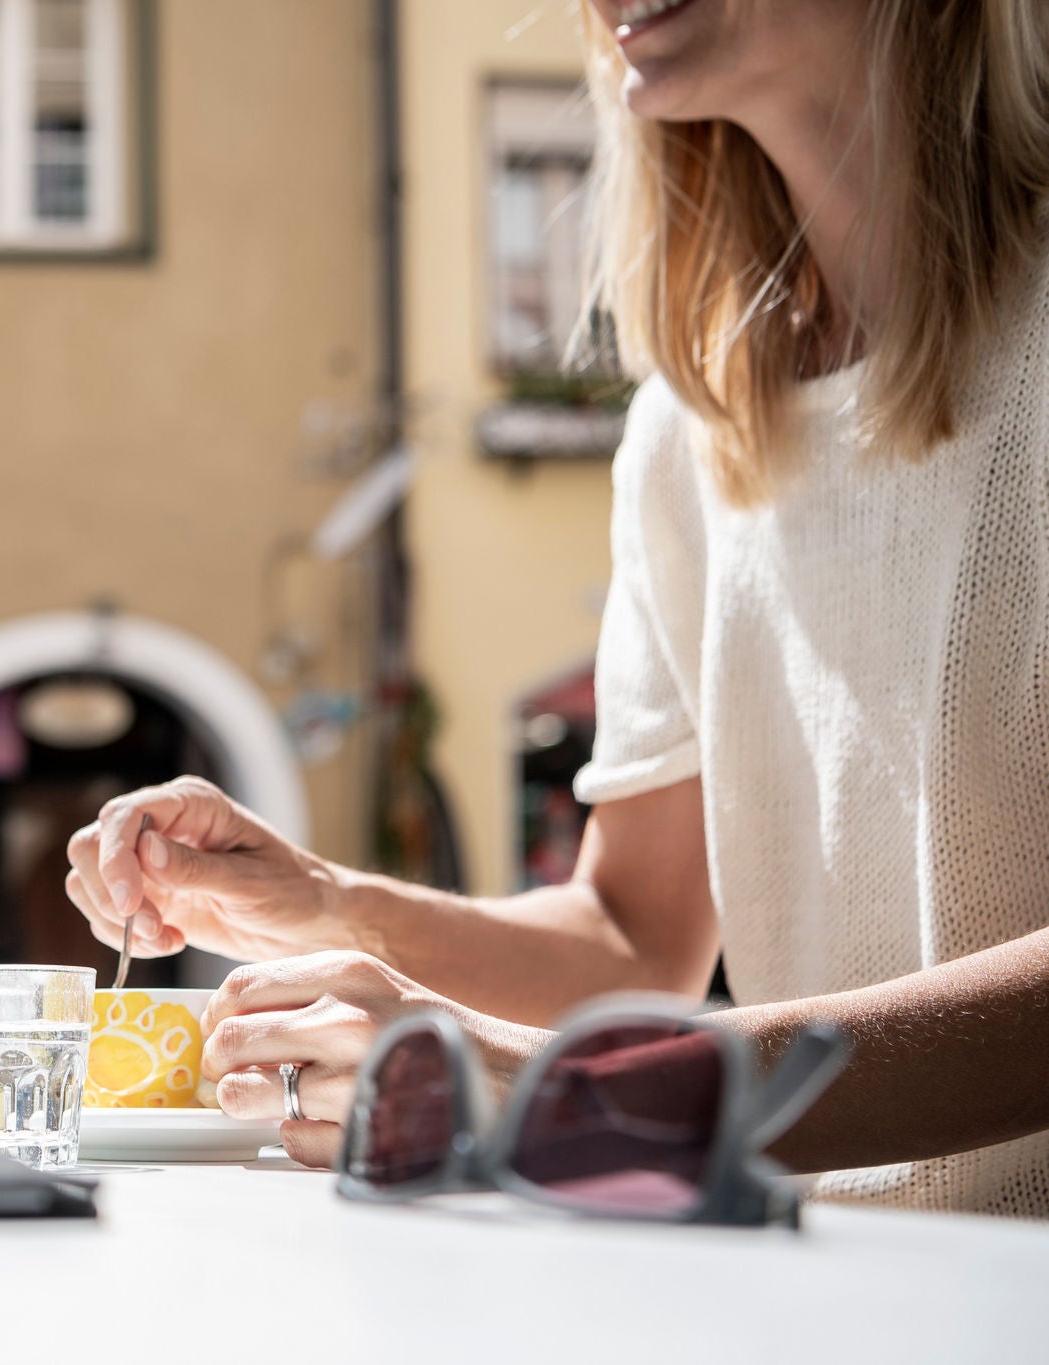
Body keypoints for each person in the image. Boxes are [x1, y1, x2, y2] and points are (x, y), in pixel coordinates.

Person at [69, 0, 1049, 1217]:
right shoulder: (690, 436)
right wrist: (327, 902)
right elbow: (632, 936)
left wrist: (535, 1082)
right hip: (838, 1296)